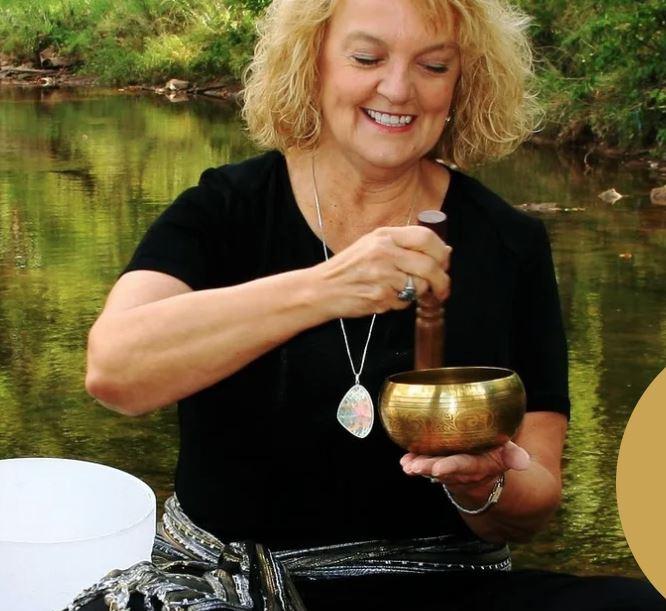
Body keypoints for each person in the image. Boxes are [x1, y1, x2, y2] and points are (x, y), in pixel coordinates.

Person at [77, 0, 664, 610]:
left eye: (434, 66)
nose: (398, 88)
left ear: (465, 84)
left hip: (447, 587)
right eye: (366, 57)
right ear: (313, 65)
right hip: (231, 589)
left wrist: (484, 483)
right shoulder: (225, 208)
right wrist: (329, 285)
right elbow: (115, 372)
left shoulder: (509, 241)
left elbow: (533, 503)